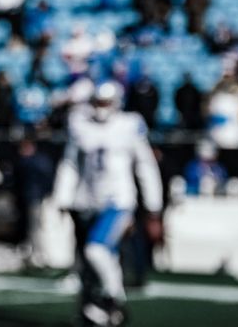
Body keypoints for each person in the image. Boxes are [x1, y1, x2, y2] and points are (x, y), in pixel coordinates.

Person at [53, 81, 164, 327]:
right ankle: (100, 310)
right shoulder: (80, 124)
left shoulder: (129, 125)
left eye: (105, 102)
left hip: (119, 201)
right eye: (98, 102)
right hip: (87, 201)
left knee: (97, 250)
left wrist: (153, 206)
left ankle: (114, 300)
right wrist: (63, 196)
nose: (101, 107)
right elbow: (70, 163)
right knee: (97, 259)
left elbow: (145, 165)